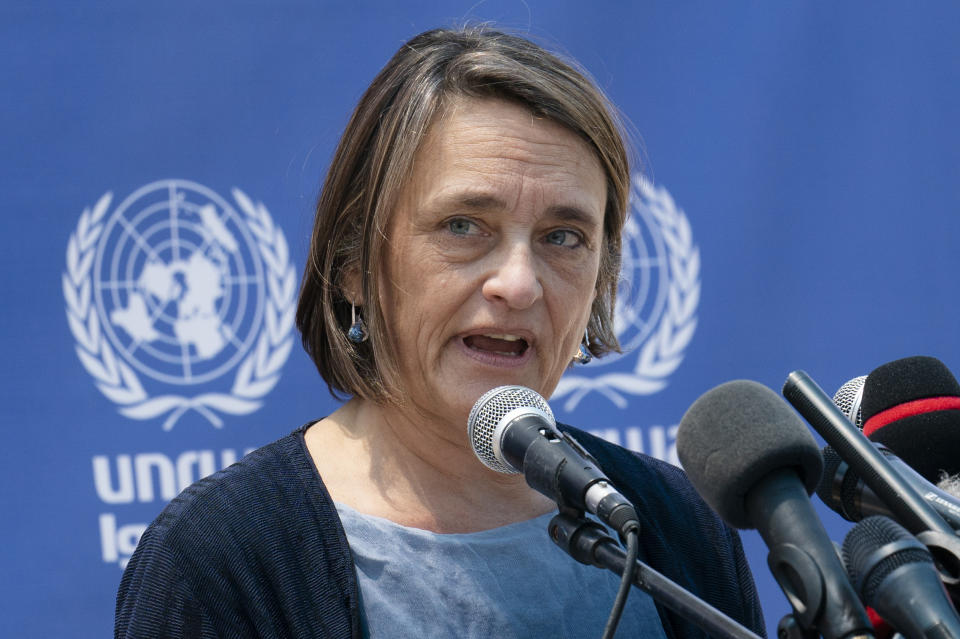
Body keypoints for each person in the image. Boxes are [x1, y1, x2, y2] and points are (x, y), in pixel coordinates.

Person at [116, 26, 765, 638]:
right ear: (352, 266)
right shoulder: (223, 558)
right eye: (463, 225)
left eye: (563, 237)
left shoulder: (676, 522)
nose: (519, 283)